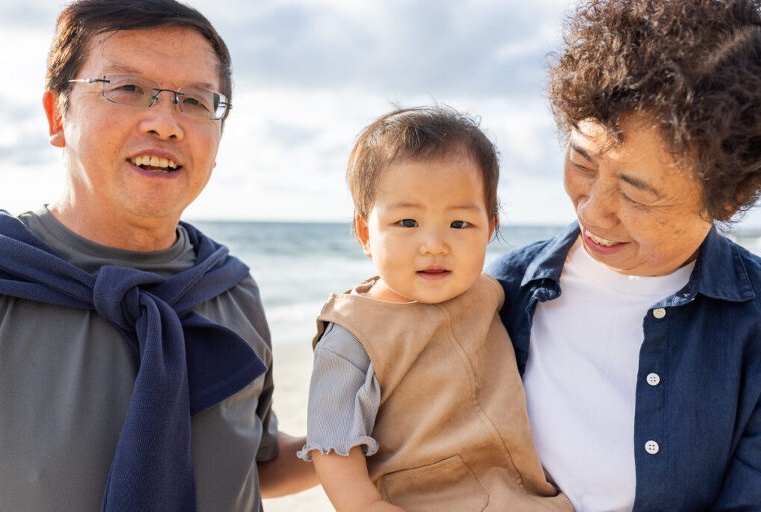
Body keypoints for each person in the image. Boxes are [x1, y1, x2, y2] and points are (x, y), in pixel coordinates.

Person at [0, 1, 317, 511]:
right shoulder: (1, 277)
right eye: (126, 89)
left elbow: (255, 465)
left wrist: (376, 431)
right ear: (58, 115)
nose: (166, 124)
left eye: (195, 100)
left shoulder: (231, 289)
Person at [487, 0, 761, 510]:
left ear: (727, 197)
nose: (592, 210)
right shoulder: (499, 291)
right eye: (581, 161)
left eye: (636, 194)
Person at [297, 107, 573, 512]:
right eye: (407, 222)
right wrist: (364, 505)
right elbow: (332, 440)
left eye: (459, 225)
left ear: (489, 229)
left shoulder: (491, 293)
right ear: (365, 233)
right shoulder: (354, 333)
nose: (434, 245)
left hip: (526, 494)